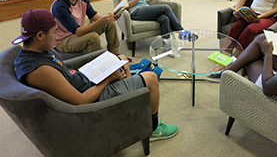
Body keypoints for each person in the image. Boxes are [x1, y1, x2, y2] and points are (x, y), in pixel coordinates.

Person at [12, 9, 179, 140]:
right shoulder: (40, 71)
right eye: (55, 32)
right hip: (93, 96)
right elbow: (81, 101)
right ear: (40, 35)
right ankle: (153, 129)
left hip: (86, 80)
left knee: (120, 58)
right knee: (151, 78)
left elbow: (65, 73)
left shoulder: (32, 52)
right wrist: (107, 80)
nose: (57, 36)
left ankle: (129, 98)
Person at [51, 0, 119, 55]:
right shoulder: (60, 6)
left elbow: (94, 16)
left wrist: (109, 18)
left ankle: (115, 55)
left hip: (77, 34)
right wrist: (101, 21)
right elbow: (77, 31)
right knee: (93, 37)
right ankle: (98, 63)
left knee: (110, 23)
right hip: (64, 40)